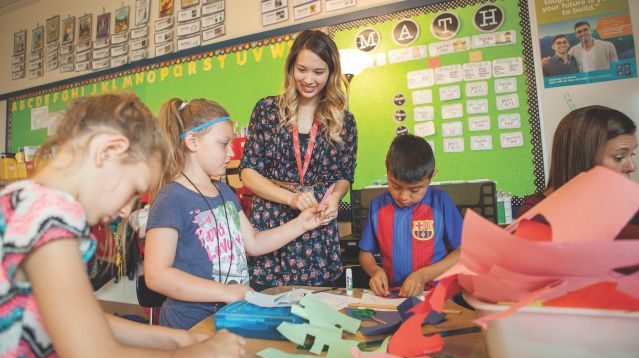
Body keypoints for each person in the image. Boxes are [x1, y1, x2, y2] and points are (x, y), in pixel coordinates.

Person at [0, 93, 245, 358]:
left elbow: (86, 319)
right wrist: (195, 355)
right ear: (109, 151)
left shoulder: (24, 201)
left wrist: (180, 339)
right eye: (133, 190)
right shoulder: (48, 217)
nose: (126, 210)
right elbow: (90, 352)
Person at [144, 98, 325, 329]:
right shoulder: (171, 198)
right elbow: (157, 275)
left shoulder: (224, 191)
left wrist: (301, 224)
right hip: (189, 327)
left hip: (229, 319)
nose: (231, 152)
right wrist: (226, 291)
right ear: (192, 141)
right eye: (224, 143)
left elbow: (254, 243)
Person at [239, 29, 358, 289]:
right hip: (271, 222)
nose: (309, 79)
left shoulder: (344, 120)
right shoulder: (267, 110)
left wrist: (335, 198)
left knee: (316, 308)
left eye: (319, 72)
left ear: (331, 73)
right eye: (302, 69)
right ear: (291, 67)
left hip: (316, 224)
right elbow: (248, 172)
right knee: (269, 307)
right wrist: (291, 198)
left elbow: (344, 175)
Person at [358, 135, 463, 297]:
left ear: (432, 176)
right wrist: (375, 271)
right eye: (395, 186)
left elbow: (463, 251)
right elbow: (365, 253)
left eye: (415, 190)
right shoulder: (378, 206)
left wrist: (423, 275)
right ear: (387, 169)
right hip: (393, 295)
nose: (404, 196)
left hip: (436, 294)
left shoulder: (440, 202)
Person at [517, 105, 637, 236]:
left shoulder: (627, 207)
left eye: (633, 154)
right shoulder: (536, 216)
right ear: (583, 158)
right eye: (619, 157)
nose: (632, 167)